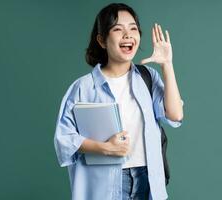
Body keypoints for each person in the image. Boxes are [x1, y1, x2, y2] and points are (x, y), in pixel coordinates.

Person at [54, 3, 184, 200]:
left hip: (147, 179)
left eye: (133, 28)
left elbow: (175, 114)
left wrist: (167, 64)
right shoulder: (83, 88)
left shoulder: (148, 77)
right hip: (104, 184)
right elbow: (64, 139)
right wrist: (104, 148)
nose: (127, 35)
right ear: (102, 40)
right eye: (117, 29)